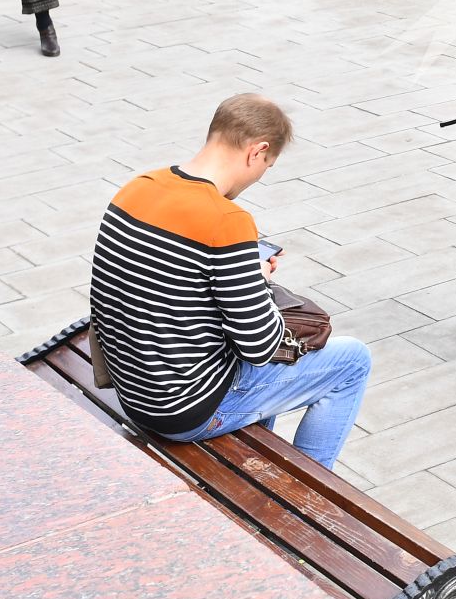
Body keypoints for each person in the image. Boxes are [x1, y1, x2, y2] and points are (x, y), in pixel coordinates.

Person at [90, 95, 371, 471]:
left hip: (135, 391)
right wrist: (260, 286)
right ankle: (311, 496)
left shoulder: (137, 188)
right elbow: (260, 346)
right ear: (258, 151)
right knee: (352, 360)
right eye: (266, 167)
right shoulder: (227, 219)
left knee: (267, 377)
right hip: (183, 410)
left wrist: (246, 276)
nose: (259, 176)